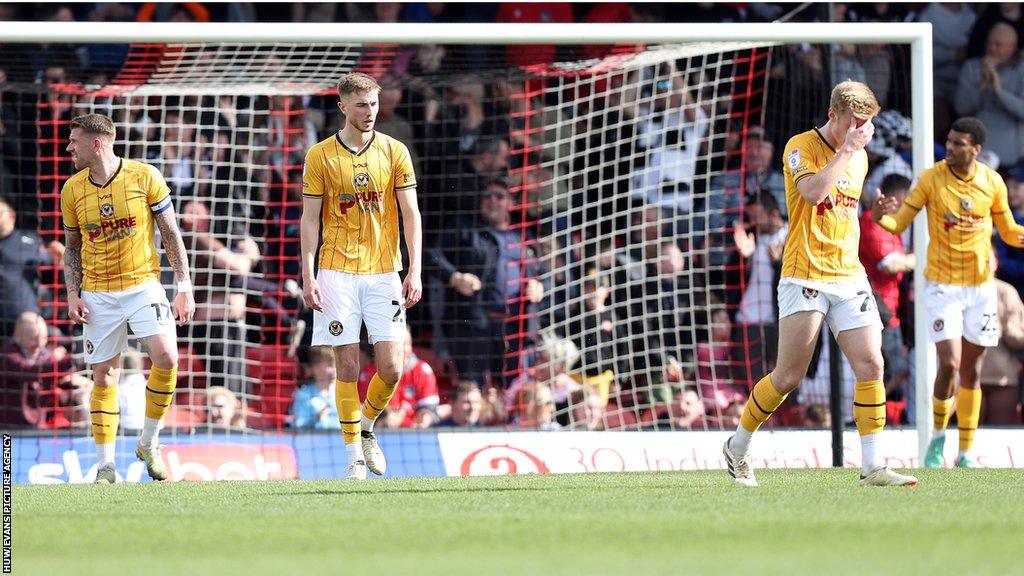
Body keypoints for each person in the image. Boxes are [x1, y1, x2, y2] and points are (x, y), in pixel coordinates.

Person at [722, 81, 918, 487]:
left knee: (872, 364)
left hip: (848, 274)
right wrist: (847, 150)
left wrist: (873, 210)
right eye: (855, 123)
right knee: (788, 377)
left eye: (868, 123)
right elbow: (812, 194)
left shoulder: (860, 156)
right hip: (804, 273)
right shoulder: (800, 147)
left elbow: (843, 209)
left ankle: (872, 466)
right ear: (834, 115)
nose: (863, 131)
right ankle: (738, 445)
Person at [874, 117, 1024, 467]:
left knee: (972, 370)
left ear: (976, 150)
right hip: (942, 285)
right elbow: (899, 223)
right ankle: (938, 437)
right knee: (950, 364)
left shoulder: (992, 182)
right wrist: (881, 216)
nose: (951, 148)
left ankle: (967, 453)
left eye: (959, 144)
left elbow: (1009, 231)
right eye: (950, 141)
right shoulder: (931, 179)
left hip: (980, 288)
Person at [300, 72, 423, 480]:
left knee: (392, 368)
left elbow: (410, 216)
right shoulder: (320, 155)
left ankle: (367, 425)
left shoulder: (394, 151)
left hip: (384, 271)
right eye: (360, 105)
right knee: (347, 367)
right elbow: (310, 218)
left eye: (373, 104)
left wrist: (414, 269)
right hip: (336, 271)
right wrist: (308, 272)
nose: (369, 112)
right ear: (343, 107)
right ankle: (353, 455)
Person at [61, 113, 195, 483]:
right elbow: (72, 247)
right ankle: (106, 465)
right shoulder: (72, 189)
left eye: (74, 140)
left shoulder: (144, 175)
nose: (69, 147)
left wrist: (183, 287)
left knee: (167, 357)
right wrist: (72, 293)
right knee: (104, 376)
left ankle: (148, 443)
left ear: (97, 143)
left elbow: (170, 234)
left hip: (143, 284)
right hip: (98, 293)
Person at [291, 346, 340, 430]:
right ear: (315, 368)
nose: (334, 370)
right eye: (330, 365)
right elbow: (297, 424)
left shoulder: (346, 393)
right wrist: (315, 418)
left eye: (337, 365)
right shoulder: (303, 394)